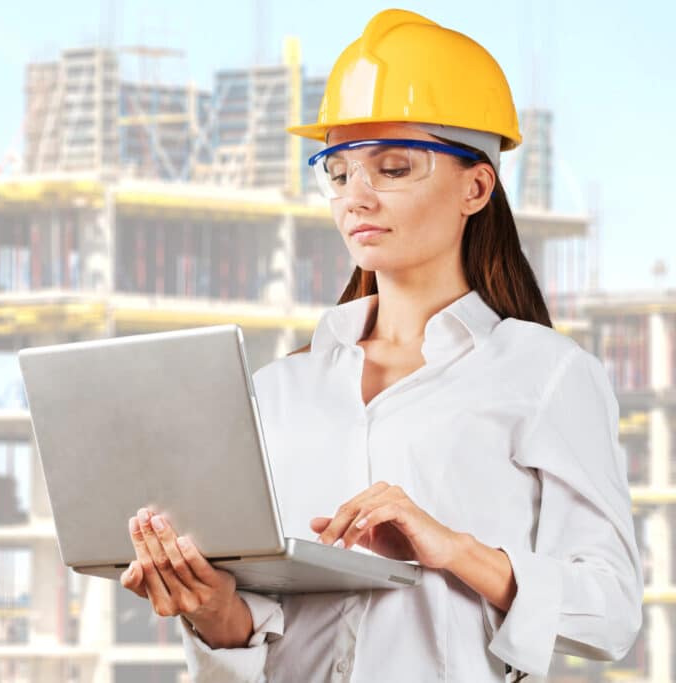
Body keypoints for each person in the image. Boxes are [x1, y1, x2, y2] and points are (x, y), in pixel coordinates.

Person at [118, 8, 644, 683]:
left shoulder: (545, 377)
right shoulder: (281, 391)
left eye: (393, 168)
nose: (356, 196)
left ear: (476, 186)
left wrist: (455, 549)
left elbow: (611, 615)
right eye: (337, 172)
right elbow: (261, 624)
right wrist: (214, 611)